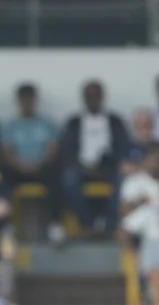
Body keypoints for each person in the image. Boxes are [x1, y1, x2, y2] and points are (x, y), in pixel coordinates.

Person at [60, 81, 130, 236]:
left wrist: (108, 166)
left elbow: (123, 148)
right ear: (83, 98)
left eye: (96, 95)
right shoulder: (74, 122)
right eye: (89, 96)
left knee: (123, 181)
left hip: (109, 168)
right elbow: (66, 150)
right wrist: (83, 167)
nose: (92, 99)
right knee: (68, 179)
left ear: (102, 97)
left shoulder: (115, 122)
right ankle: (87, 225)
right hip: (81, 168)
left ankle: (110, 226)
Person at [0, 83, 62, 234]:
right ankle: (7, 225)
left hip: (41, 168)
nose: (27, 102)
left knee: (58, 178)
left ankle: (55, 225)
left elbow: (53, 150)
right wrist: (20, 165)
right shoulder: (10, 125)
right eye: (23, 99)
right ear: (18, 101)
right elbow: (7, 153)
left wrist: (39, 164)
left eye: (30, 99)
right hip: (18, 169)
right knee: (2, 178)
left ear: (35, 100)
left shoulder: (47, 123)